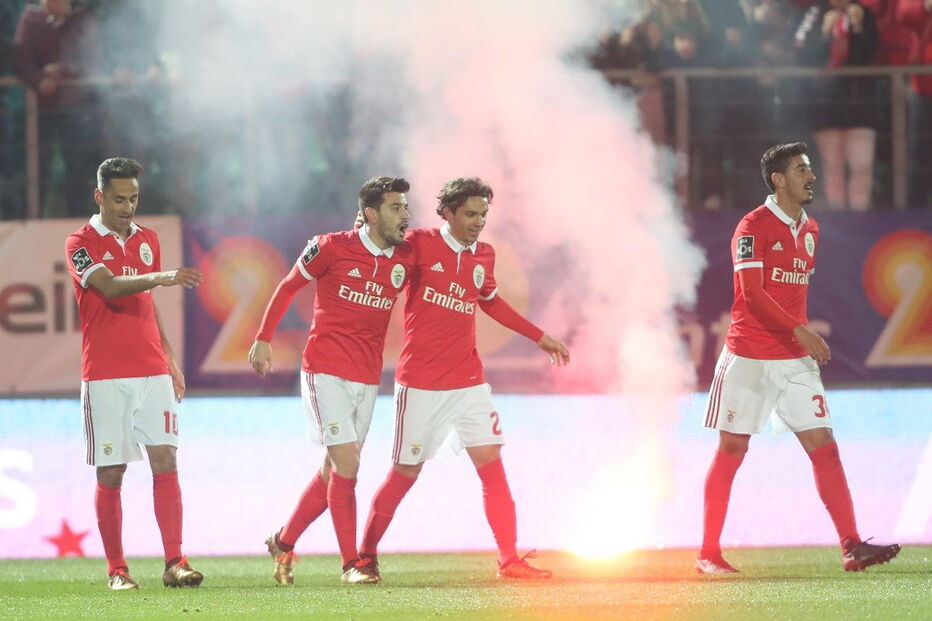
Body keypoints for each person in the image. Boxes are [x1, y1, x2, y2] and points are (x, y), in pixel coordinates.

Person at [697, 142, 901, 574]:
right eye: (801, 170)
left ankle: (851, 545)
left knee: (824, 448)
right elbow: (752, 295)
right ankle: (708, 554)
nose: (811, 176)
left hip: (794, 361)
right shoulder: (752, 227)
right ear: (778, 179)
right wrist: (801, 329)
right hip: (748, 356)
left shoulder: (811, 229)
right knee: (732, 449)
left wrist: (797, 337)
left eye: (810, 169)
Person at [357, 177, 570, 581]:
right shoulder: (418, 243)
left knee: (492, 465)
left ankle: (509, 560)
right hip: (420, 384)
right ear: (448, 213)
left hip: (469, 382)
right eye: (470, 214)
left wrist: (540, 337)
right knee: (405, 474)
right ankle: (364, 556)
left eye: (483, 215)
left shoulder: (483, 255)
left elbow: (491, 302)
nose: (478, 222)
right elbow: (377, 251)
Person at [248, 176, 413, 585]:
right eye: (396, 207)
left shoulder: (405, 258)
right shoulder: (329, 247)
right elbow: (288, 287)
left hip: (368, 376)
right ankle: (350, 564)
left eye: (406, 207)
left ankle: (284, 542)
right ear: (371, 214)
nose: (405, 214)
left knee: (332, 472)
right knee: (348, 464)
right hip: (325, 371)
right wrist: (263, 339)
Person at [65, 157, 205, 589]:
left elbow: (147, 301)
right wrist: (162, 276)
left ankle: (175, 562)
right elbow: (107, 286)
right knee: (112, 472)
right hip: (106, 374)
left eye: (134, 198)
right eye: (119, 199)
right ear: (99, 196)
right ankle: (117, 570)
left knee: (166, 460)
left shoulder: (148, 239)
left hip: (152, 371)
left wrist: (170, 357)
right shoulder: (79, 242)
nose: (128, 207)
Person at [13, 0, 104, 217]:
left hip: (78, 109)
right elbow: (20, 60)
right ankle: (31, 219)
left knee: (77, 167)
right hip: (40, 111)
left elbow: (92, 61)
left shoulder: (83, 20)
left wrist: (61, 71)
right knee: (36, 166)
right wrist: (39, 80)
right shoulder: (31, 19)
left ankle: (80, 220)